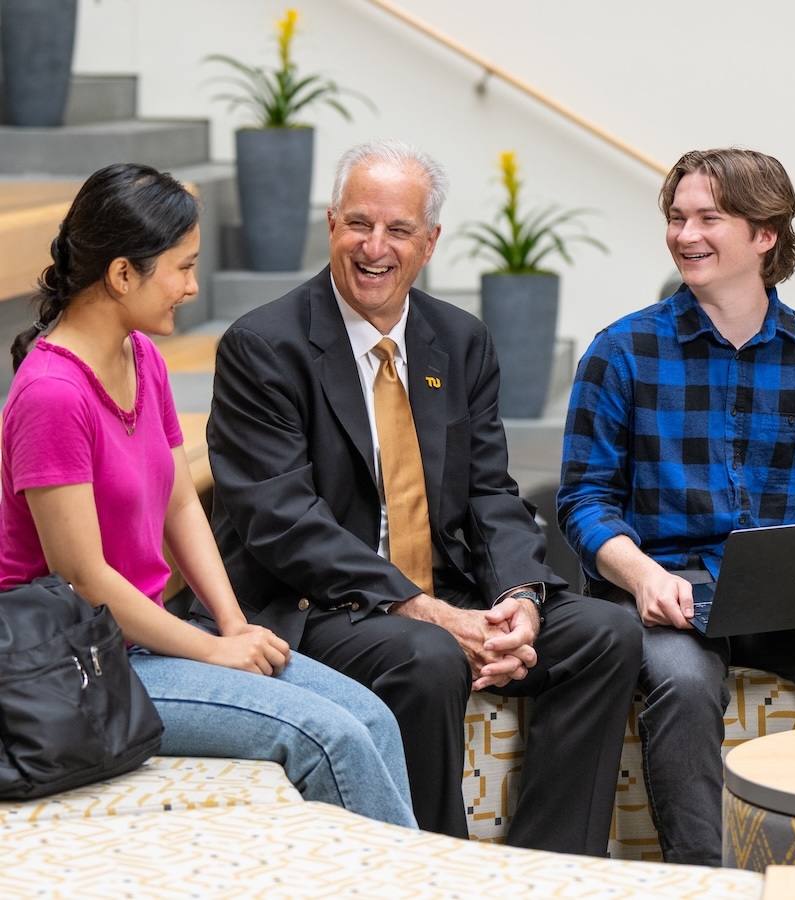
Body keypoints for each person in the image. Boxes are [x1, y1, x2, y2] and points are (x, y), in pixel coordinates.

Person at [200, 139, 642, 855]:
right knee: (428, 656)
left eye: (398, 230)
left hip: (447, 593)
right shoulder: (264, 345)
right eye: (359, 224)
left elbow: (491, 494)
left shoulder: (459, 341)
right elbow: (282, 524)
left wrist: (520, 602)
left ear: (429, 241)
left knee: (604, 634)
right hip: (320, 605)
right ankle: (434, 869)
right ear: (330, 223)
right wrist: (429, 611)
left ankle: (546, 864)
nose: (375, 247)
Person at [0, 163, 416, 829]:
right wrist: (212, 651)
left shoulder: (141, 356)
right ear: (121, 275)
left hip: (146, 638)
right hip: (79, 662)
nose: (192, 287)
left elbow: (180, 503)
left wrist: (231, 622)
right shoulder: (53, 395)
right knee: (327, 738)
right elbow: (83, 578)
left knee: (370, 714)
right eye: (182, 268)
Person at [557, 147, 795, 865]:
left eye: (708, 218)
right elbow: (584, 502)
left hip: (791, 606)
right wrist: (642, 575)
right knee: (682, 684)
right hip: (671, 598)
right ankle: (705, 882)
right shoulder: (620, 352)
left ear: (764, 235)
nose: (685, 235)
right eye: (676, 218)